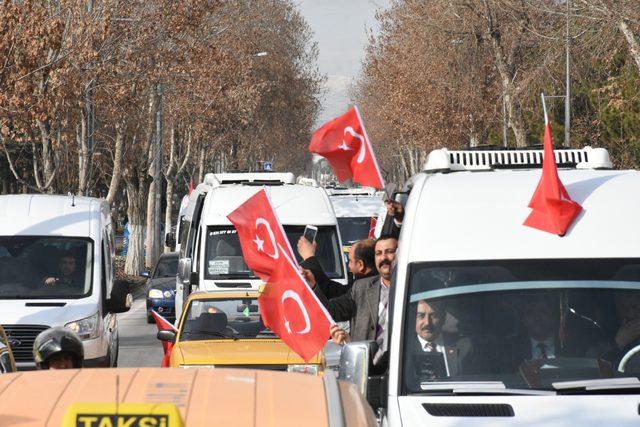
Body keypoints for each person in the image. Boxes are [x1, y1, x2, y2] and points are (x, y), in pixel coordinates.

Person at [311, 235, 398, 356]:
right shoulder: (360, 288)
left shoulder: (413, 287)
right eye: (378, 253)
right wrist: (313, 286)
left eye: (389, 252)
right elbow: (330, 310)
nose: (383, 257)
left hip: (400, 366)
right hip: (365, 366)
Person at [410, 299, 474, 379]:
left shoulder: (464, 346)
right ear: (413, 318)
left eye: (434, 315)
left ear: (443, 318)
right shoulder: (404, 350)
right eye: (421, 316)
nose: (427, 322)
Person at [298, 237, 376, 299]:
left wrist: (309, 257)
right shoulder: (378, 281)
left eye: (350, 261)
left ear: (360, 265)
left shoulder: (364, 288)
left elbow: (332, 294)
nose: (348, 266)